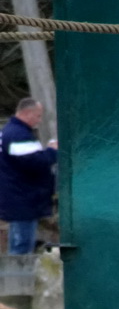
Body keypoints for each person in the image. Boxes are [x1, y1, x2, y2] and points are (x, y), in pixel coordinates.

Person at [0, 98, 58, 255]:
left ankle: (15, 277)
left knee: (19, 243)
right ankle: (18, 279)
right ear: (28, 114)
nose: (39, 120)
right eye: (38, 116)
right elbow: (35, 162)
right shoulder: (18, 135)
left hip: (17, 196)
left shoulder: (9, 132)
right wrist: (53, 151)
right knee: (21, 248)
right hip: (22, 199)